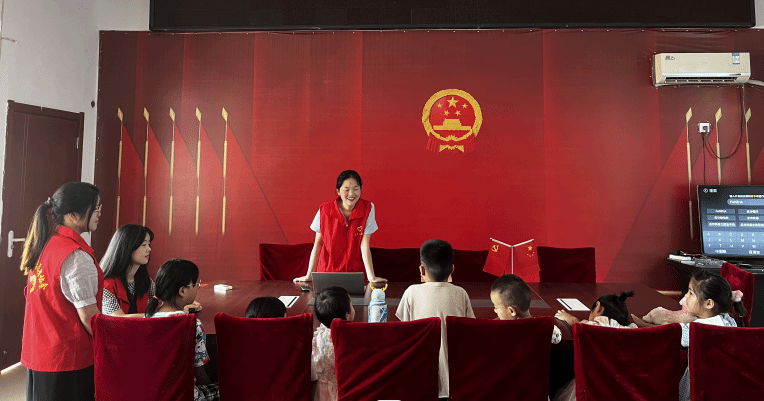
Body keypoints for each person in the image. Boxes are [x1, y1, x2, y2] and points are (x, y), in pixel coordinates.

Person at [20, 182, 102, 401]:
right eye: (95, 208)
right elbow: (89, 317)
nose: (99, 213)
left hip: (41, 352)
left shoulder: (46, 245)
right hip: (67, 358)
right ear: (73, 215)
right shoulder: (75, 256)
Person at [631, 271, 745, 401]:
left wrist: (642, 324)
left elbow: (670, 333)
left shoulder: (702, 329)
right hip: (727, 388)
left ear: (708, 304)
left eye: (691, 293)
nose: (685, 296)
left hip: (700, 390)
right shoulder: (728, 319)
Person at [396, 239, 475, 400]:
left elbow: (404, 332)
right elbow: (471, 329)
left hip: (420, 377)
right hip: (456, 380)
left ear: (422, 269)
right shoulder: (461, 293)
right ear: (452, 270)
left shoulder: (411, 292)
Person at [145, 259, 219, 401]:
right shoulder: (192, 324)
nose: (197, 288)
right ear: (183, 291)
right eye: (196, 284)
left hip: (154, 395)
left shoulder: (145, 320)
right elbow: (200, 375)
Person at [294, 170, 385, 283]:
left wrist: (372, 277)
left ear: (361, 189)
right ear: (338, 191)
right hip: (327, 273)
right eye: (346, 189)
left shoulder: (368, 208)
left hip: (355, 274)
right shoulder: (324, 210)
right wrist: (309, 276)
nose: (351, 194)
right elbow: (318, 244)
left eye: (356, 189)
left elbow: (364, 245)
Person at [552, 291, 638, 401]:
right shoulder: (631, 330)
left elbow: (579, 327)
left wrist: (570, 318)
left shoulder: (593, 327)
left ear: (598, 307)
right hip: (622, 390)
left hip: (593, 389)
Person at [100, 224, 156, 317]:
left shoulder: (146, 282)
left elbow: (161, 306)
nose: (149, 249)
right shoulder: (106, 285)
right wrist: (158, 316)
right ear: (127, 247)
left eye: (149, 244)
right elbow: (119, 318)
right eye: (144, 244)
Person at [311, 286, 356, 401]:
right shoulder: (348, 340)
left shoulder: (317, 337)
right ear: (347, 315)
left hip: (319, 393)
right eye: (352, 305)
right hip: (342, 391)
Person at [490, 274, 563, 344]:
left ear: (512, 311)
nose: (495, 310)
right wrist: (569, 320)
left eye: (496, 307)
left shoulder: (500, 333)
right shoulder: (547, 328)